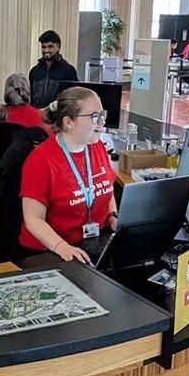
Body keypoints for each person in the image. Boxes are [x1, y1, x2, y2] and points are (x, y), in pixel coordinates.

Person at [18, 87, 117, 263]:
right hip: (50, 248)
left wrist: (112, 217)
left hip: (90, 242)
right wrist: (62, 247)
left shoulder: (98, 147)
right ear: (68, 122)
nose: (102, 122)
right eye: (95, 117)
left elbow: (106, 187)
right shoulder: (41, 160)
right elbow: (33, 219)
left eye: (103, 115)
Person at [29, 30, 78, 109]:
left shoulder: (68, 70)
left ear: (58, 46)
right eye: (43, 47)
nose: (46, 50)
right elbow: (30, 97)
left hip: (58, 117)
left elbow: (73, 98)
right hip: (36, 116)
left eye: (50, 46)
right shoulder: (34, 71)